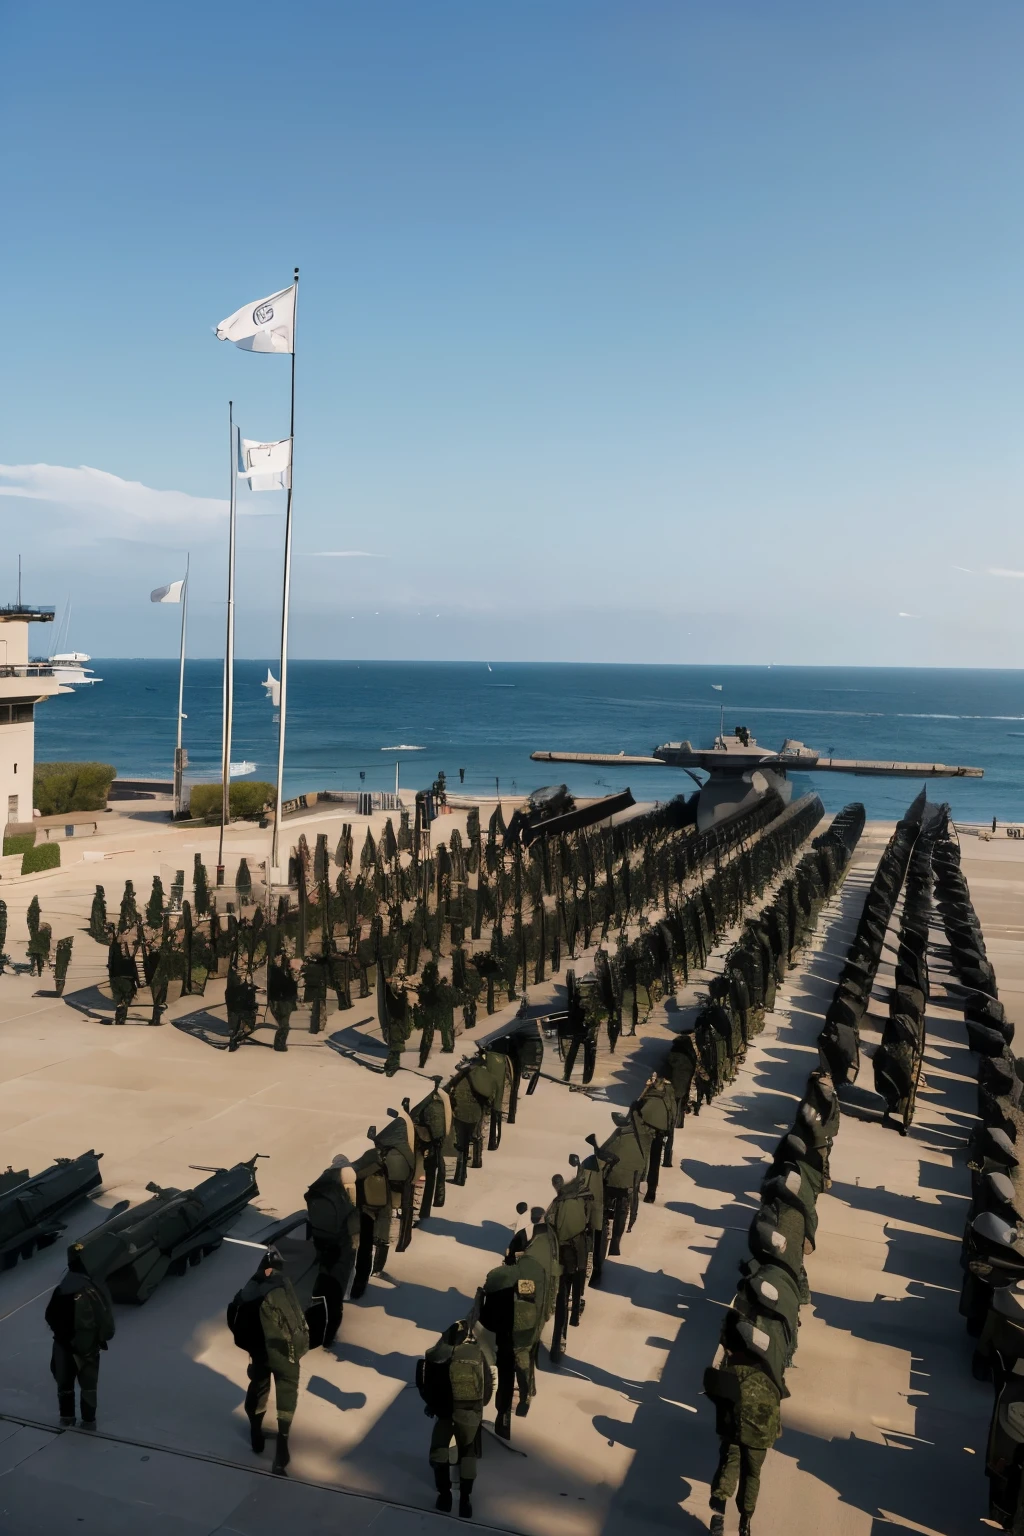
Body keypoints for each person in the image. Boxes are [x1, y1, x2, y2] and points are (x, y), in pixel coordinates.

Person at [227, 1247, 309, 1475]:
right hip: (284, 1352)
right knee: (286, 1392)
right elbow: (298, 1318)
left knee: (258, 1387)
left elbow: (233, 1315)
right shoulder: (285, 1287)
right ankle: (282, 1448)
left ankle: (256, 1434)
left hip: (258, 1351)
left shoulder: (249, 1289)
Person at [705, 1314, 784, 1536]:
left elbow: (713, 1389)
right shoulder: (768, 1370)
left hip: (737, 1430)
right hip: (763, 1434)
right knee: (752, 1475)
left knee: (730, 1462)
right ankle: (745, 1522)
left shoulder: (733, 1371)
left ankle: (719, 1514)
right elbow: (779, 1395)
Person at [417, 1318, 493, 1518]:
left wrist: (433, 1406)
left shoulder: (438, 1356)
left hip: (444, 1413)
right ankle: (465, 1500)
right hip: (469, 1411)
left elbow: (427, 1386)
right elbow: (486, 1391)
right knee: (468, 1451)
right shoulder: (476, 1354)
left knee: (439, 1449)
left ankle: (444, 1496)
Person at [44, 1241, 115, 1429]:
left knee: (64, 1384)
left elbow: (49, 1315)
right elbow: (105, 1319)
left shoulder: (62, 1288)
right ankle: (89, 1421)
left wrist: (62, 1336)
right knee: (89, 1386)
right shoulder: (93, 1288)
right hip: (88, 1346)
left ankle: (66, 1418)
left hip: (63, 1345)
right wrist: (103, 1337)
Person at [305, 1159, 359, 1346]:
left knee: (319, 1291)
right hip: (340, 1249)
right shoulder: (345, 1194)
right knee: (335, 1294)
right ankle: (329, 1337)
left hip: (319, 1246)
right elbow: (353, 1229)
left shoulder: (321, 1186)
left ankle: (313, 1331)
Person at [267, 954, 299, 1052]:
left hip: (284, 1000)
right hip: (280, 1000)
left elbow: (291, 986)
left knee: (284, 1024)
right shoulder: (277, 972)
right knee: (284, 1025)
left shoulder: (286, 972)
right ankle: (279, 1044)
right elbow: (278, 986)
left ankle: (280, 1044)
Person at [226, 963, 259, 1051]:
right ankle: (233, 1045)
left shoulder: (247, 986)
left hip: (244, 1010)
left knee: (249, 1028)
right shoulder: (234, 986)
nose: (247, 977)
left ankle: (236, 1039)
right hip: (236, 1010)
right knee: (234, 1031)